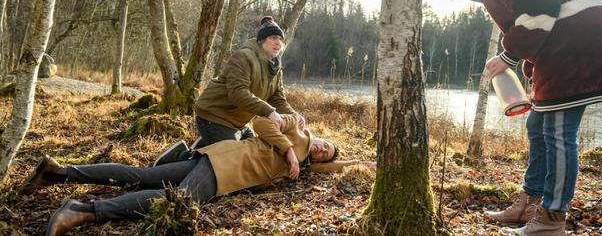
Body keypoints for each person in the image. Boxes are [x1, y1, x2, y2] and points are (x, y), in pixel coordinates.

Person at [442, 0, 602, 235]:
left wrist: (508, 56)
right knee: (538, 124)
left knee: (557, 131)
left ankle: (552, 219)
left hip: (579, 43)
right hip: (572, 39)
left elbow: (541, 8)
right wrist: (528, 61)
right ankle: (530, 202)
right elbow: (535, 15)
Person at [20, 114, 374, 236]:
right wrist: (286, 148)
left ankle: (60, 172)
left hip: (214, 161)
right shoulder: (298, 133)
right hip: (223, 167)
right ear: (320, 137)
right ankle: (81, 211)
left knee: (143, 175)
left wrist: (369, 165)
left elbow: (337, 167)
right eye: (326, 144)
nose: (324, 149)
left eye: (326, 152)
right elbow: (260, 122)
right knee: (179, 201)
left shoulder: (310, 162)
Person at [154, 15, 298, 166]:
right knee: (230, 161)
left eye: (280, 39)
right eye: (273, 38)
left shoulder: (275, 69)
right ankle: (179, 155)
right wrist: (269, 111)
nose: (278, 43)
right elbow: (237, 93)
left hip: (238, 123)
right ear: (262, 40)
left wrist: (294, 116)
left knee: (252, 150)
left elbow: (277, 99)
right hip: (214, 115)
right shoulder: (244, 57)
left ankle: (202, 147)